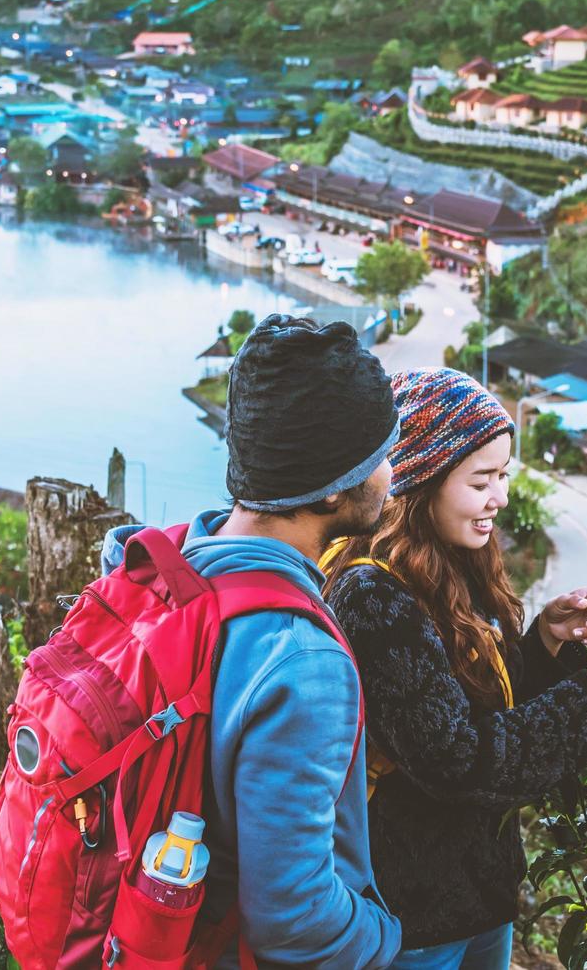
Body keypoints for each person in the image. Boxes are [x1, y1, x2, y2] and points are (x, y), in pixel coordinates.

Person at [323, 368, 587, 970]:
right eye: (482, 480)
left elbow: (485, 710)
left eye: (504, 476)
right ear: (421, 480)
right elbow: (459, 762)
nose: (502, 497)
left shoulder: (451, 562)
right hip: (411, 912)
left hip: (478, 897)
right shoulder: (372, 596)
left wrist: (544, 640)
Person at [103, 315, 403, 968]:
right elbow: (292, 920)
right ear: (333, 487)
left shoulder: (152, 568)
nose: (390, 472)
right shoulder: (301, 662)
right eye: (379, 455)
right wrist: (383, 939)